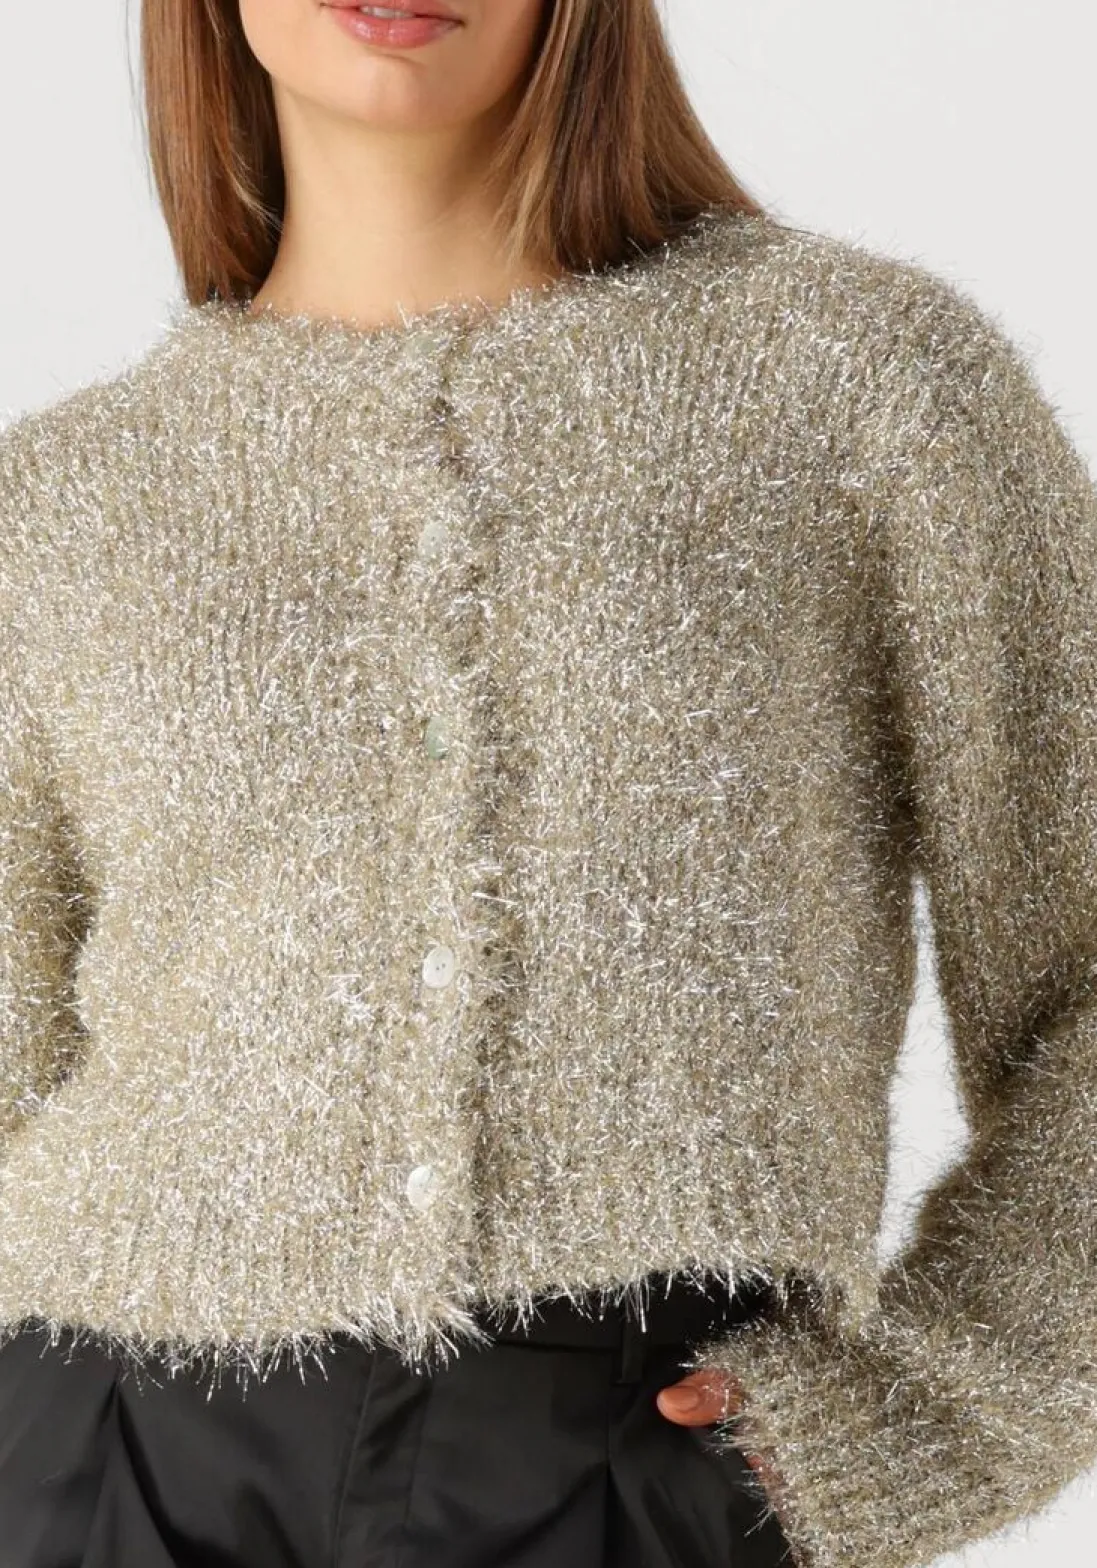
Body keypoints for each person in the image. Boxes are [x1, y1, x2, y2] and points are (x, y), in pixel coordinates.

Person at [0, 2, 1095, 1566]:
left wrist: (934, 1408)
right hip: (97, 1459)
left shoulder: (860, 389)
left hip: (630, 1458)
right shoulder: (60, 501)